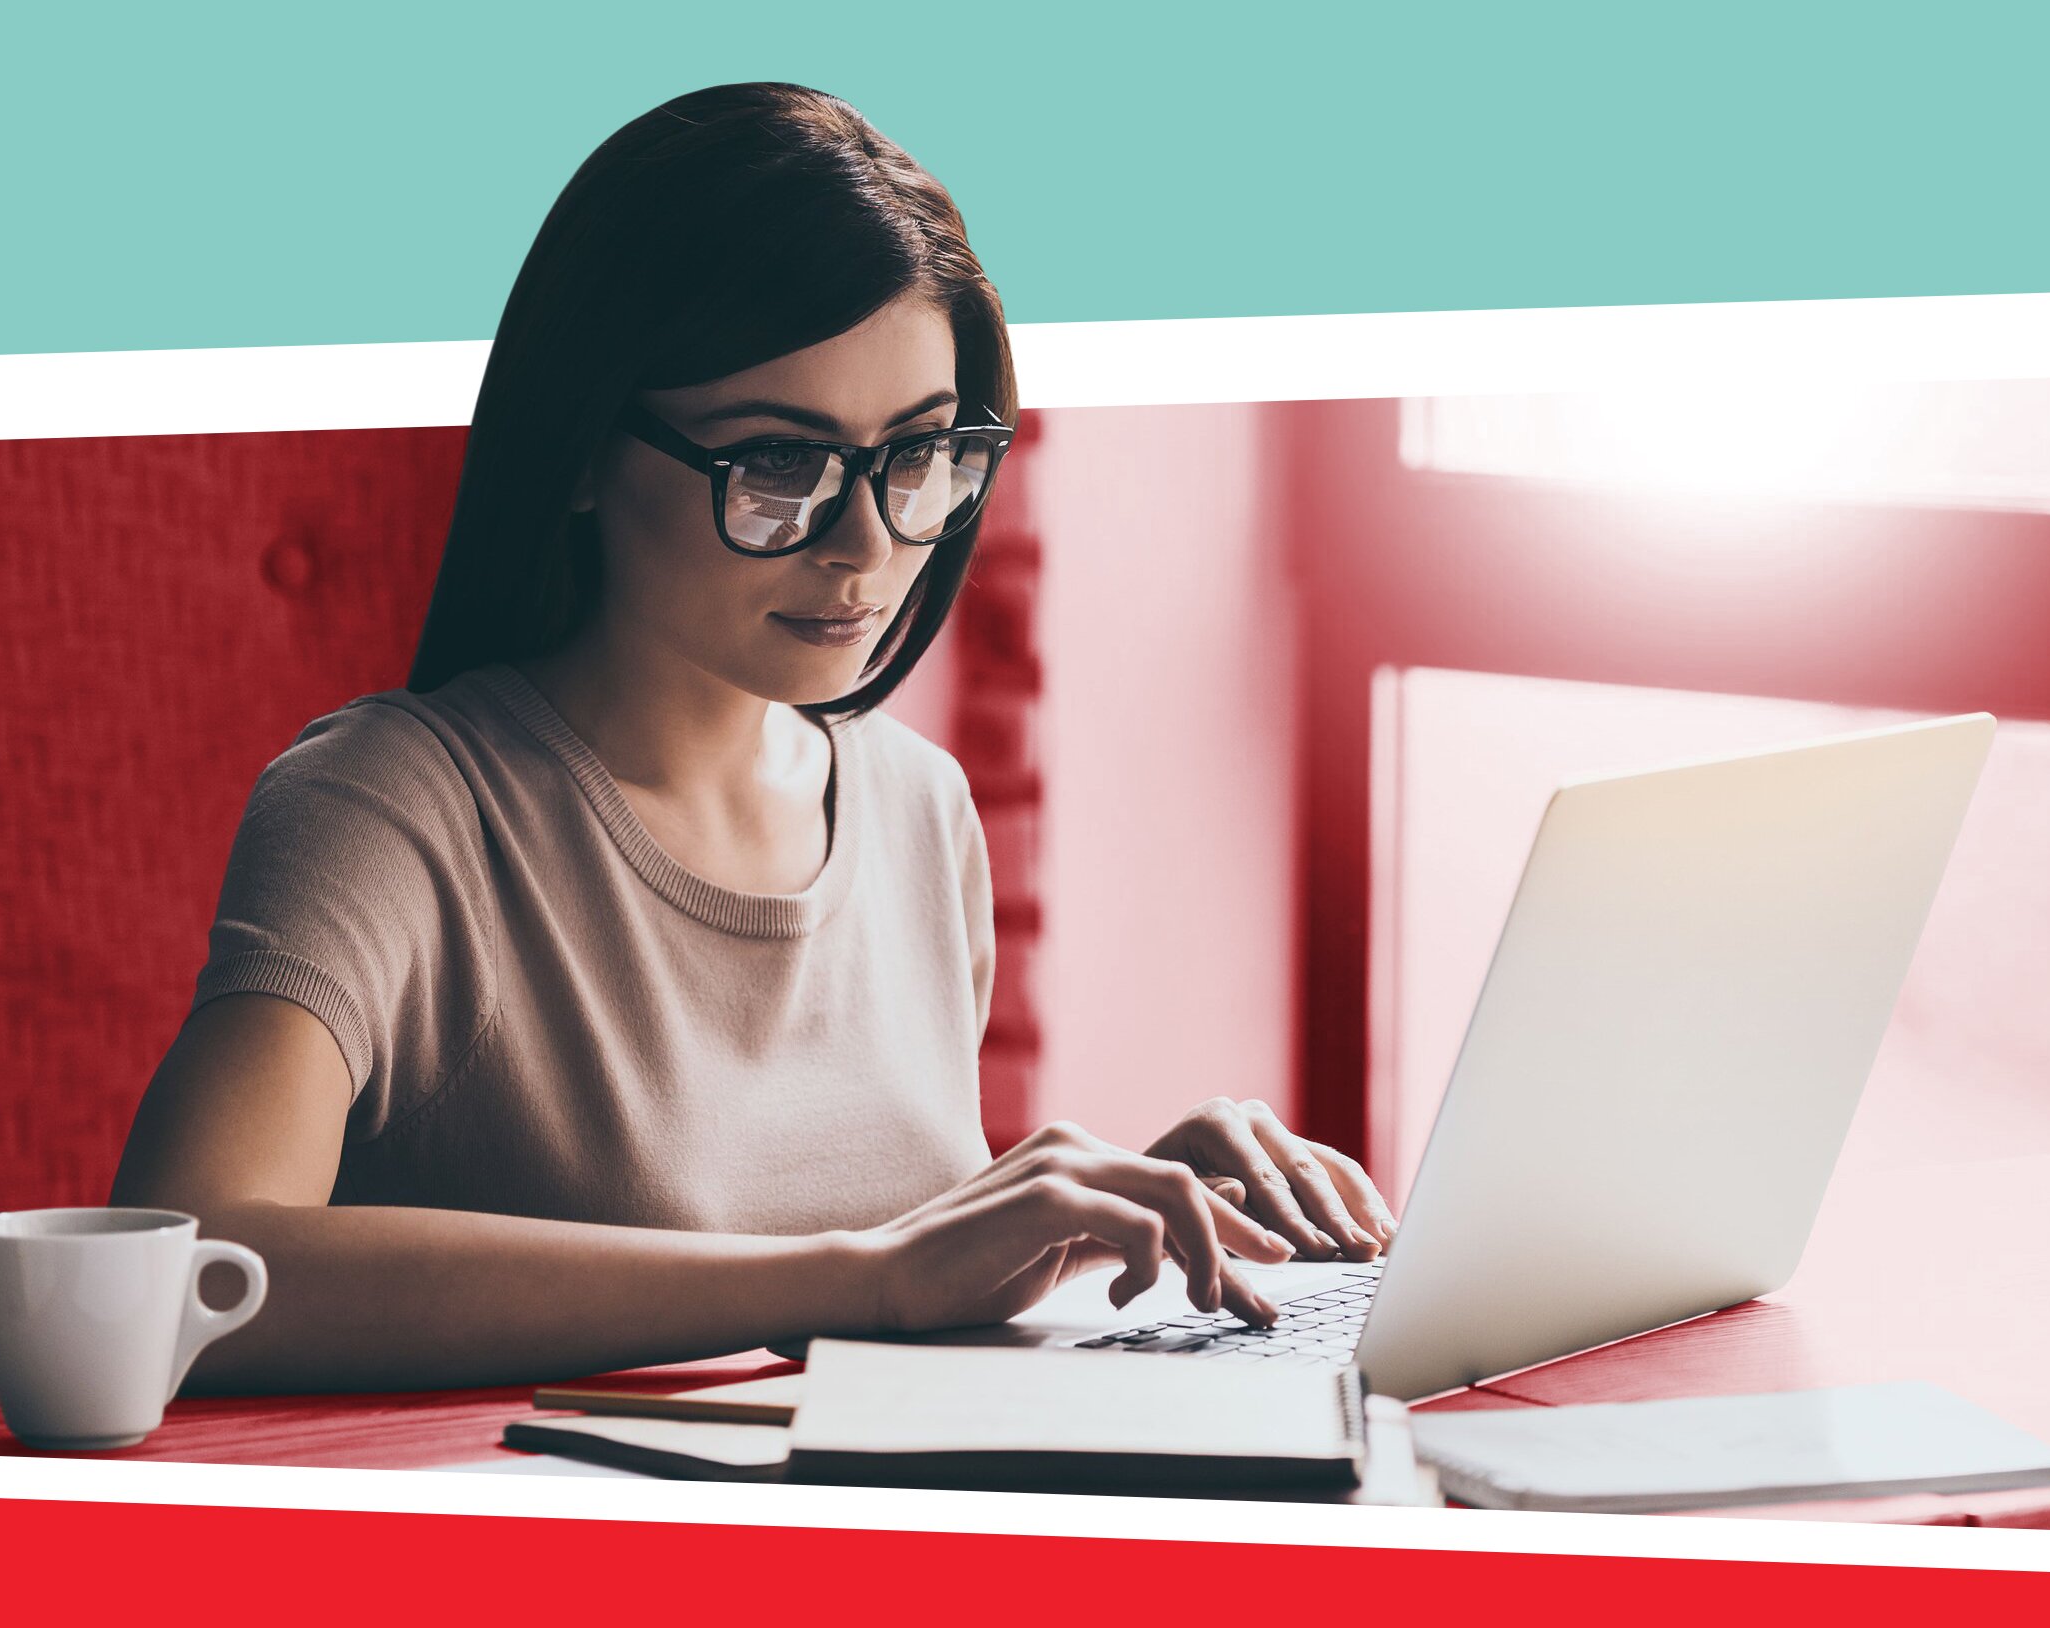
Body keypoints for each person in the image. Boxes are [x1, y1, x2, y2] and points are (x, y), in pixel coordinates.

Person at [111, 83, 1395, 1394]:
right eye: (779, 465)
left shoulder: (918, 810)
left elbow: (897, 1305)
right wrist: (860, 1279)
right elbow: (183, 1267)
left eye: (920, 456)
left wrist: (1091, 1209)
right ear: (580, 454)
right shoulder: (391, 808)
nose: (869, 545)